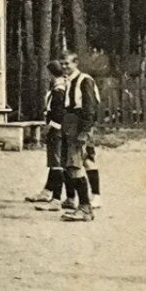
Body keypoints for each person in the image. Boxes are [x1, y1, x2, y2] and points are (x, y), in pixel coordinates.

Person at [57, 51, 101, 222]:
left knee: (75, 165)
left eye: (67, 63)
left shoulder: (84, 80)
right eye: (62, 63)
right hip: (68, 123)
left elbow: (90, 108)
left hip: (78, 124)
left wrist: (85, 131)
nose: (64, 66)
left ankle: (85, 208)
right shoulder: (68, 81)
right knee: (69, 165)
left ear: (76, 63)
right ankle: (78, 204)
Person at [27, 60, 68, 209]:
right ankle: (47, 191)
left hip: (57, 130)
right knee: (53, 162)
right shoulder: (59, 88)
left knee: (57, 164)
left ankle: (56, 199)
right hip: (57, 129)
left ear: (50, 74)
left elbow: (59, 114)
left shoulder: (59, 90)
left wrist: (49, 128)